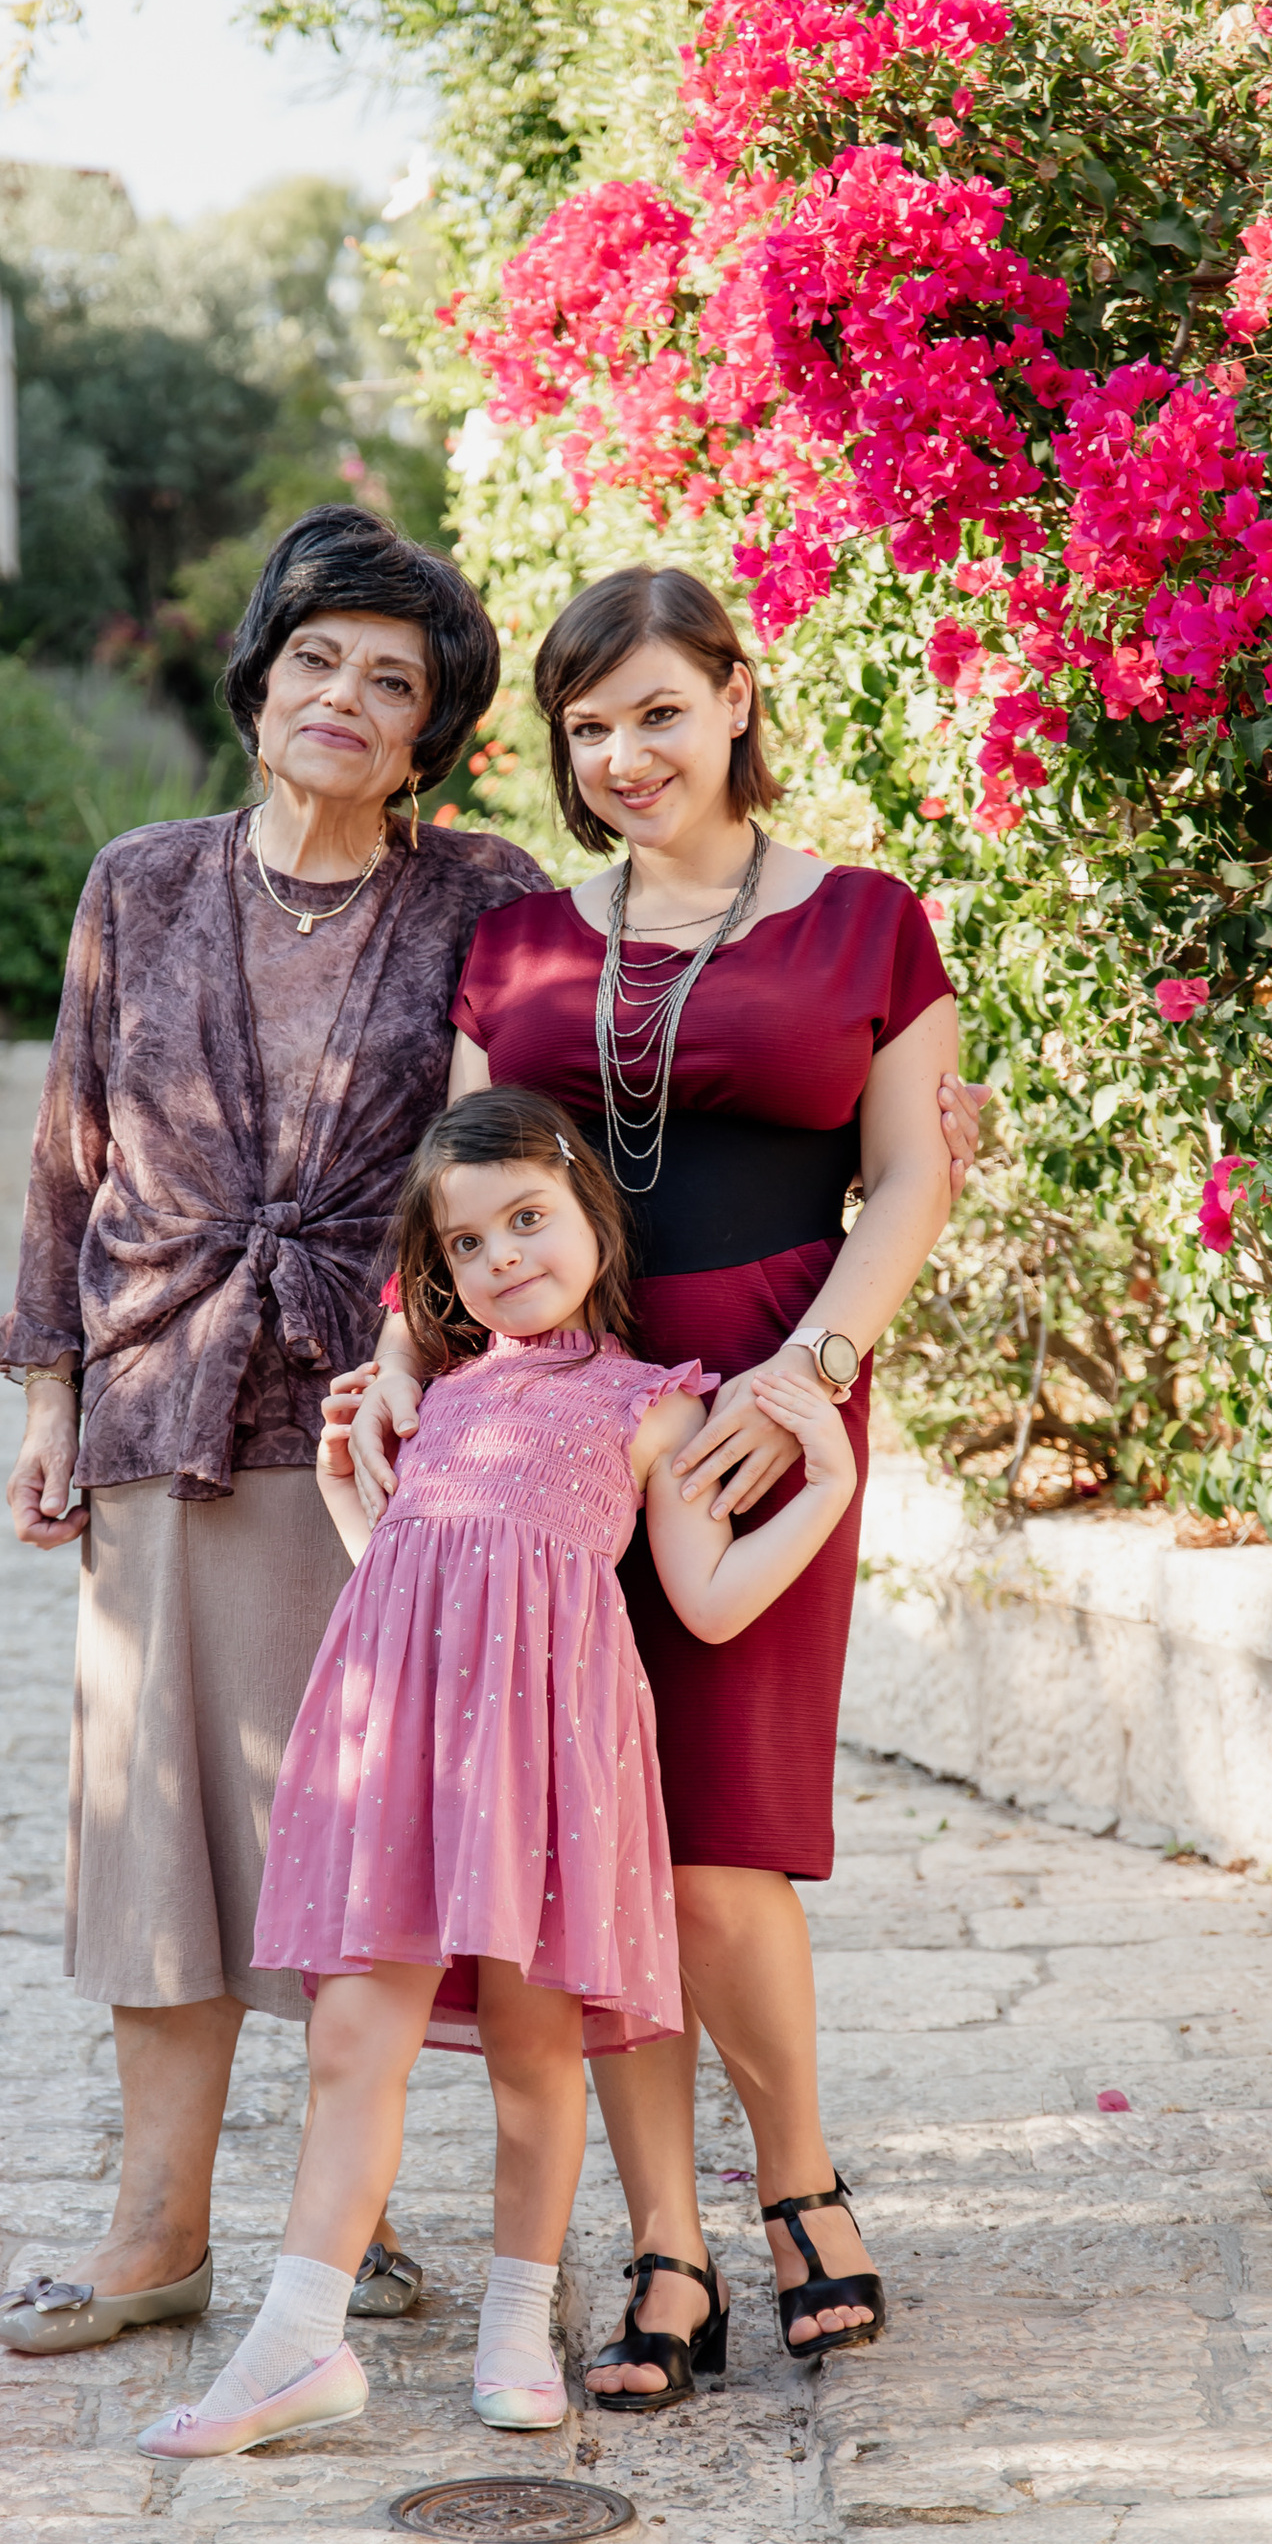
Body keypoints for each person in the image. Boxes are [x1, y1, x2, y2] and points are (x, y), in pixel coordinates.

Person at [344, 565, 960, 2403]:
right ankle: (665, 2248)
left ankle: (804, 2194)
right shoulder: (524, 944)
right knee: (586, 1850)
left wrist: (813, 1370)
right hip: (543, 1425)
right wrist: (403, 1356)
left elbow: (915, 1177)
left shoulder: (867, 924)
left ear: (740, 701)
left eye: (659, 713)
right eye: (589, 727)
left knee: (719, 1847)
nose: (624, 755)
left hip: (766, 1402)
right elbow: (455, 1177)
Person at [0, 508, 549, 2356]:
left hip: (386, 1434)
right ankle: (158, 2235)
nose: (346, 699)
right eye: (318, 660)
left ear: (427, 736)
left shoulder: (484, 897)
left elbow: (538, 1146)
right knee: (163, 1838)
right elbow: (72, 1152)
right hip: (165, 1396)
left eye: (393, 683)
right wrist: (54, 1392)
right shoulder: (140, 882)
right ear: (260, 682)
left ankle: (346, 2212)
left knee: (356, 1833)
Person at [137, 1087, 860, 2462]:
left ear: (592, 1213)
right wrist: (361, 1485)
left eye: (529, 1219)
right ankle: (298, 2343)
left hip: (542, 1776)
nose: (505, 1257)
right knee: (356, 2037)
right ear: (442, 1276)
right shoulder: (438, 1396)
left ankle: (518, 2324)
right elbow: (411, 1580)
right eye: (468, 1245)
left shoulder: (653, 1409)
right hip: (395, 1749)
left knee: (537, 2058)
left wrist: (819, 1487)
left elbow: (704, 1603)